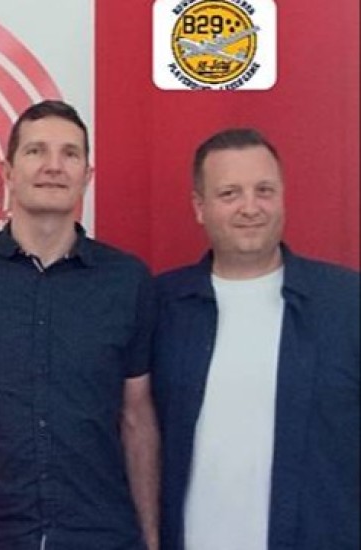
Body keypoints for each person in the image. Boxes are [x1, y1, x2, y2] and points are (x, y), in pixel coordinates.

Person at [0, 100, 160, 549]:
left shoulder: (127, 280)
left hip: (101, 534)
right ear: (8, 172)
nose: (53, 166)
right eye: (36, 151)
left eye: (69, 154)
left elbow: (137, 417)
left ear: (87, 175)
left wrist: (152, 537)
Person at [152, 128, 360, 549]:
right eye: (230, 194)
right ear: (200, 207)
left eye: (264, 190)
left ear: (282, 197)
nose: (250, 208)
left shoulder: (347, 303)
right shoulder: (160, 306)